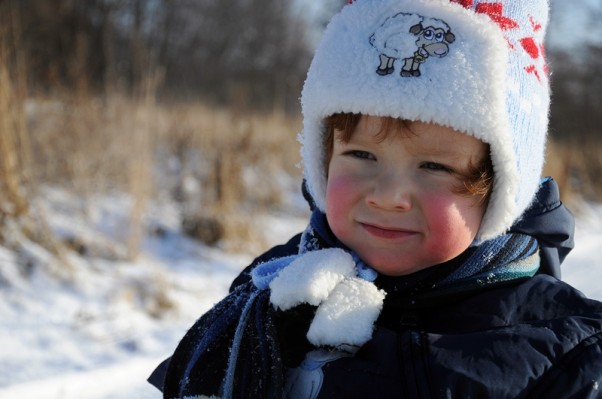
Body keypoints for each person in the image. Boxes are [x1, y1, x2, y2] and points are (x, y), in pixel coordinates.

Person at [149, 0, 602, 397]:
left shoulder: (562, 354)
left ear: (501, 187)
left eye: (434, 167)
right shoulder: (275, 285)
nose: (388, 197)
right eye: (362, 154)